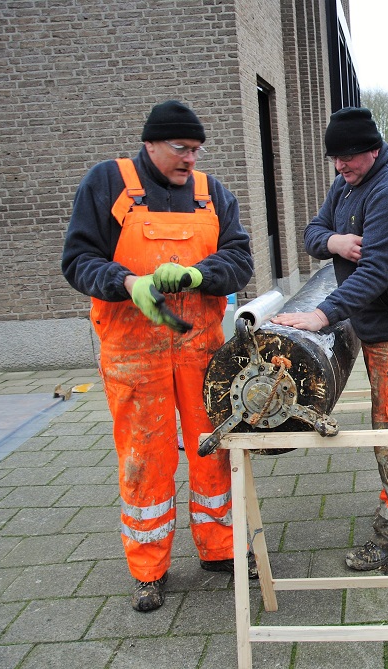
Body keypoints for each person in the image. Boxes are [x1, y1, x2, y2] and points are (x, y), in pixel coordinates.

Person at [62, 100, 255, 612]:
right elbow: (78, 259)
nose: (190, 158)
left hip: (202, 348)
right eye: (180, 148)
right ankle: (148, 570)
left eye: (196, 149)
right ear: (150, 144)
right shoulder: (108, 183)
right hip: (133, 351)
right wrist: (126, 282)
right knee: (144, 459)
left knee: (213, 446)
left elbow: (239, 259)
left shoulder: (212, 194)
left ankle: (222, 550)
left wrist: (198, 276)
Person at [272, 107, 388, 572]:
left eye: (347, 159)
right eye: (334, 160)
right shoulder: (349, 181)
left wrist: (321, 315)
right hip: (379, 326)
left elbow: (378, 271)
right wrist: (337, 243)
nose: (339, 168)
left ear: (373, 149)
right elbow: (312, 233)